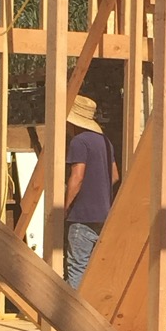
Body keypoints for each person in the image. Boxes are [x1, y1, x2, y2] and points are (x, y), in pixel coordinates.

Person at [63, 94, 118, 287]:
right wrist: (98, 192)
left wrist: (65, 206)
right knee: (95, 269)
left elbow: (77, 177)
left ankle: (73, 316)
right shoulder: (105, 142)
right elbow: (114, 176)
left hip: (82, 218)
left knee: (77, 268)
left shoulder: (79, 142)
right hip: (103, 216)